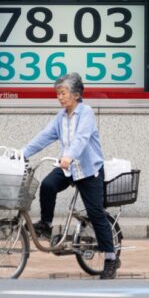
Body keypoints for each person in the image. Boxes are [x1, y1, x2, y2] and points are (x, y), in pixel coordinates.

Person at [21, 73, 119, 279]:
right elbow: (44, 136)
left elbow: (82, 138)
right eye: (58, 93)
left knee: (95, 213)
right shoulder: (61, 117)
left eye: (63, 93)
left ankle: (111, 258)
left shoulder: (86, 113)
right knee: (47, 185)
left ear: (75, 94)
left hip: (89, 170)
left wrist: (68, 155)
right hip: (68, 168)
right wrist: (22, 153)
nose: (60, 97)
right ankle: (46, 225)